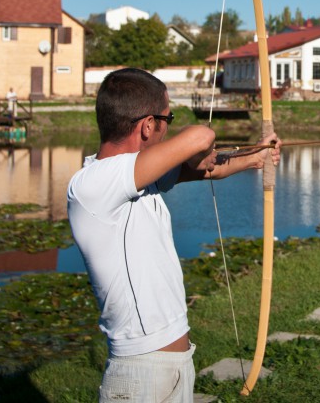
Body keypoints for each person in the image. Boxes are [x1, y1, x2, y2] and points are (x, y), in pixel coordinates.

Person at [67, 68, 280, 403]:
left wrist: (257, 156)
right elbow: (199, 139)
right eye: (168, 117)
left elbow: (208, 166)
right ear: (148, 125)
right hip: (140, 371)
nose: (168, 126)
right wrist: (200, 150)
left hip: (172, 363)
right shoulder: (94, 183)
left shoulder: (140, 177)